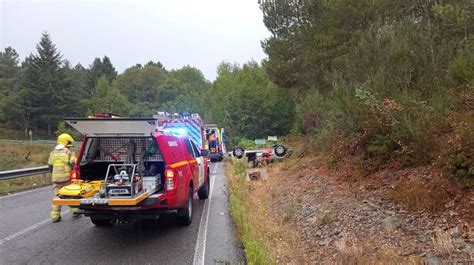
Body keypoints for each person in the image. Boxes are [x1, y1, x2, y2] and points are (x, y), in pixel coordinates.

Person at [48, 133, 79, 223]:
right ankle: (75, 211)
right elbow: (74, 164)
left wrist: (54, 175)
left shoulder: (52, 153)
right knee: (70, 194)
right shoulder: (68, 152)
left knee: (57, 196)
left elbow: (50, 166)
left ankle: (55, 216)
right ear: (66, 142)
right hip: (66, 178)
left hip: (56, 179)